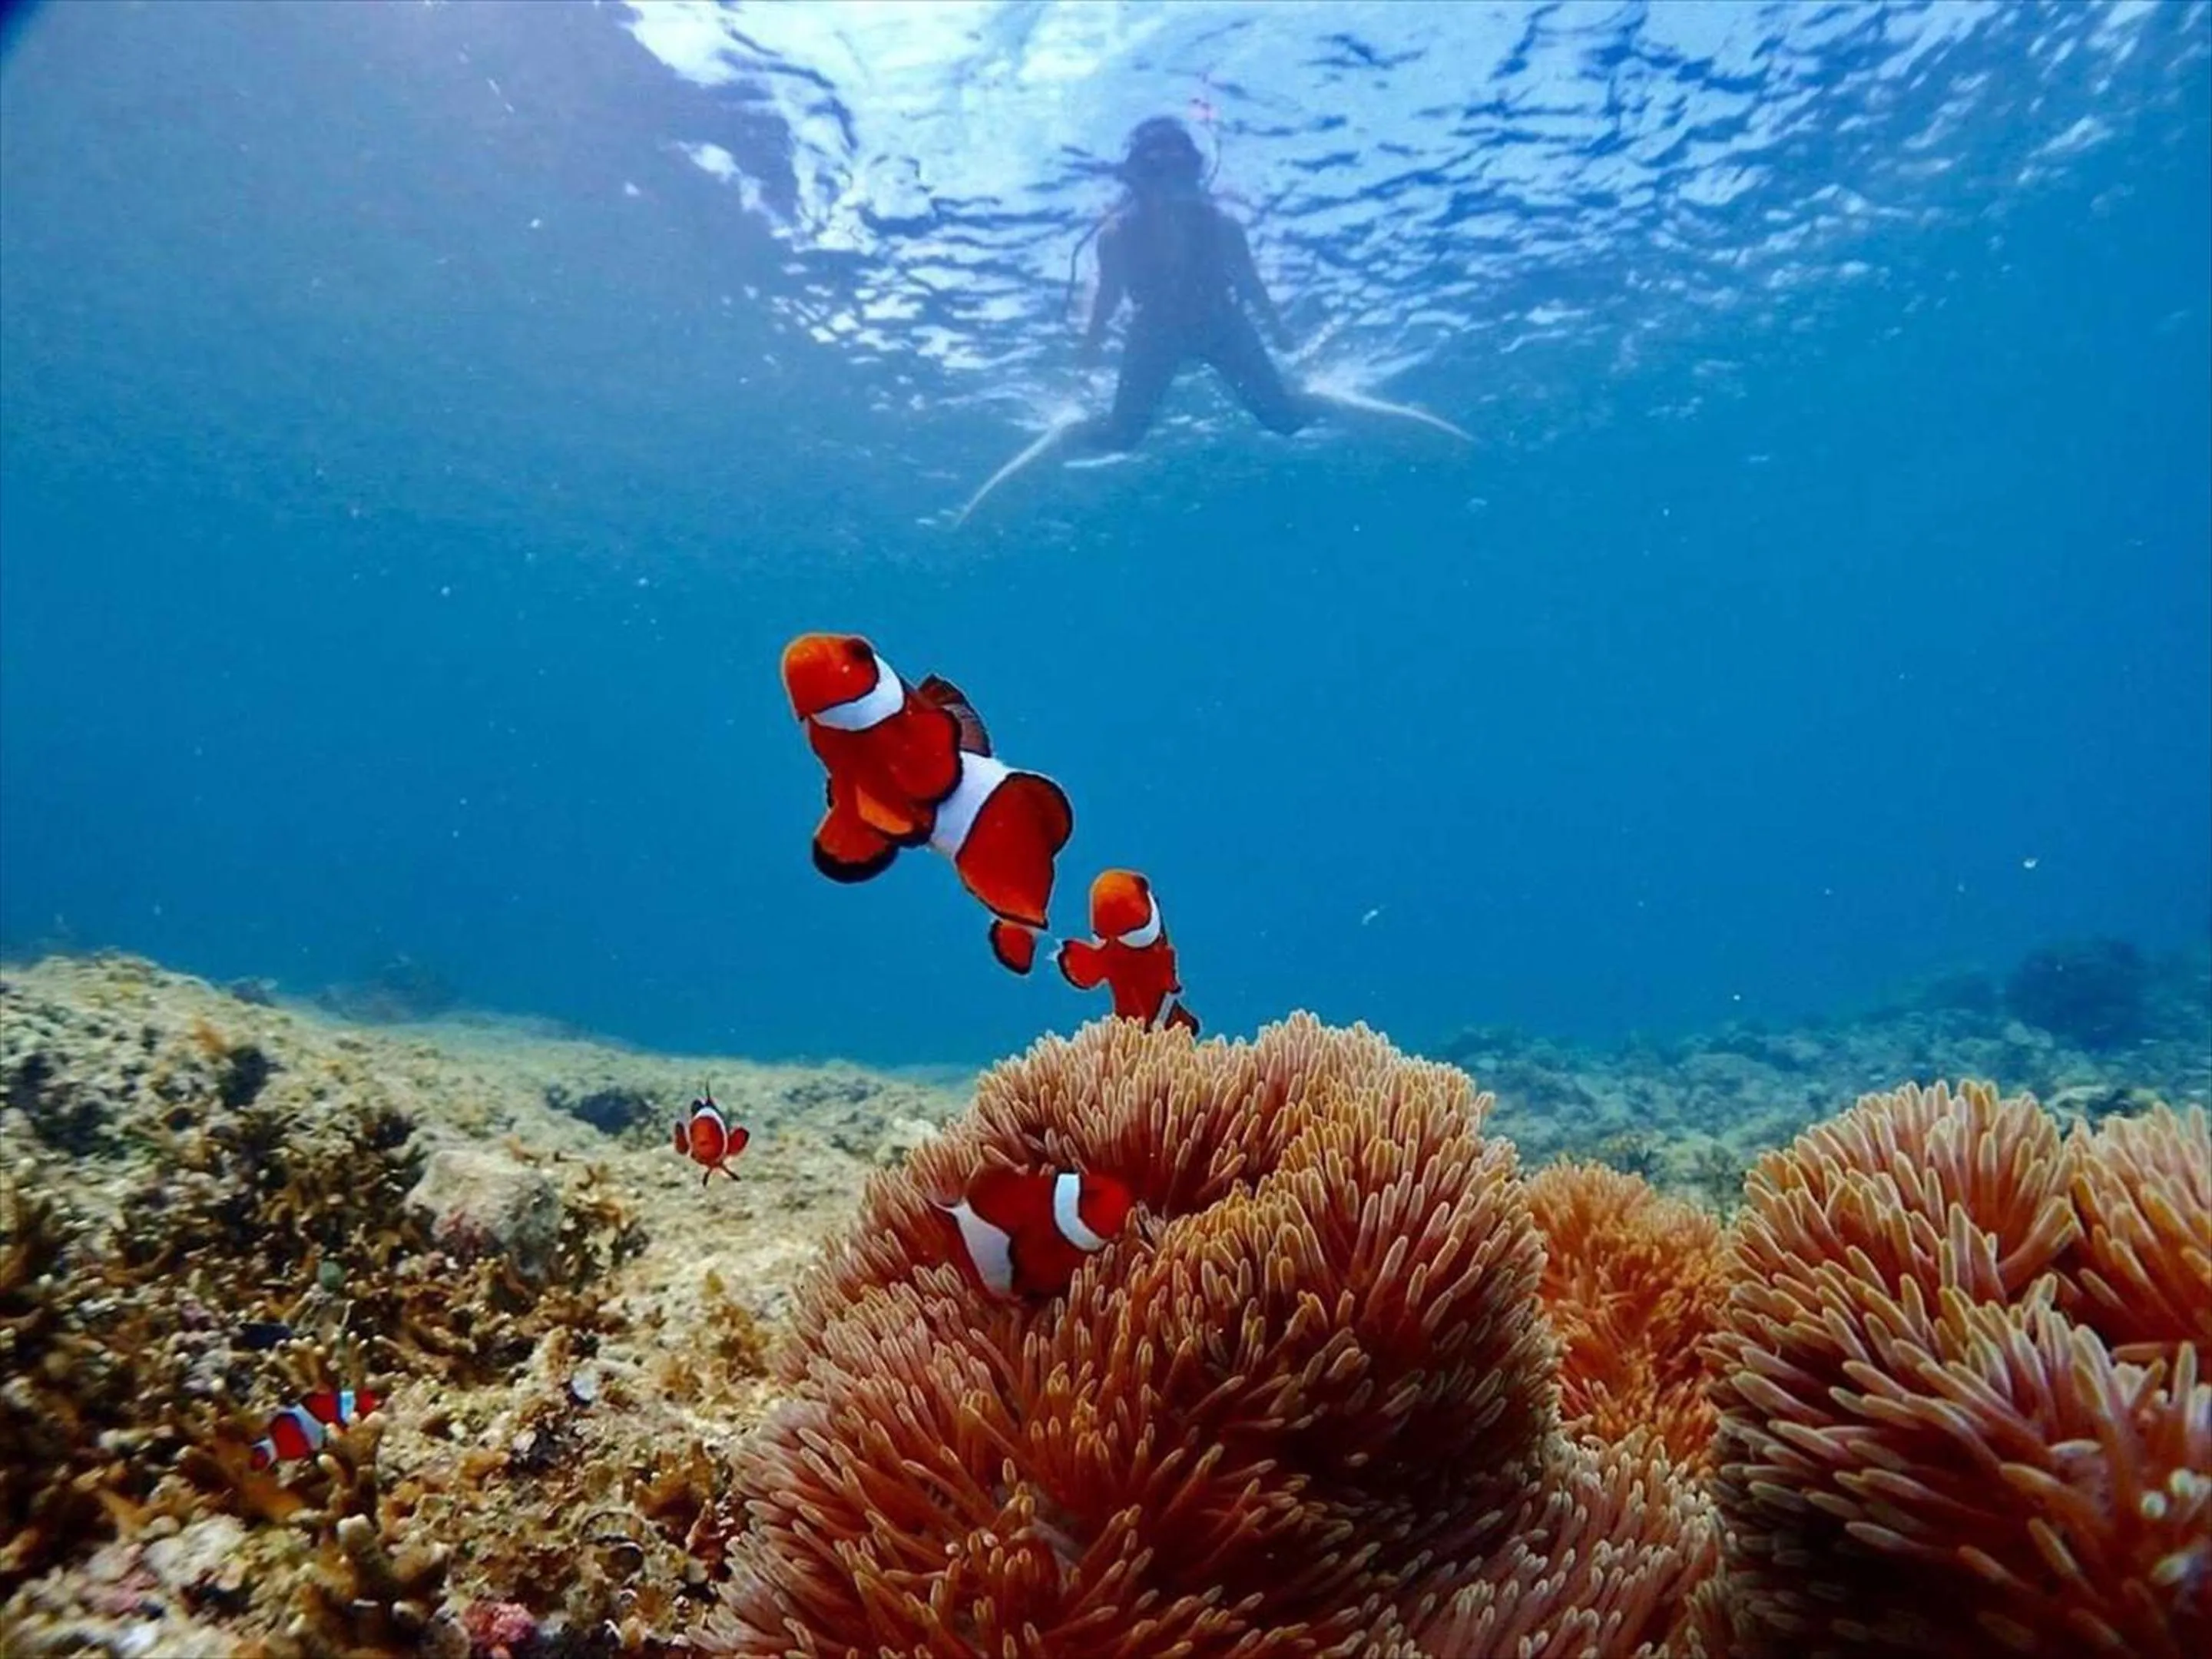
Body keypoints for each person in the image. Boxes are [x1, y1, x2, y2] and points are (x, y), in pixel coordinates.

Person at [955, 115, 1470, 525]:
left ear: (1196, 171)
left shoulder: (1221, 225)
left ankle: (1327, 399)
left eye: (1180, 170)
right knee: (1123, 435)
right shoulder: (1117, 235)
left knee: (1285, 419)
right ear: (1136, 178)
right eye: (1157, 172)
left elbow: (1250, 285)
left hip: (1224, 324)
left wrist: (1283, 337)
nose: (1170, 184)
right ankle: (1067, 436)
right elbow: (1107, 300)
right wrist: (1086, 359)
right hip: (1154, 332)